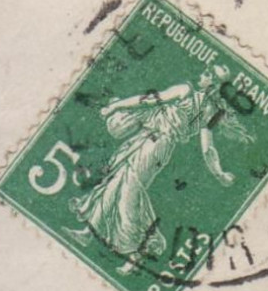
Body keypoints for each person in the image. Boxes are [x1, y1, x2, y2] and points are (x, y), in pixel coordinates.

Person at [67, 64, 251, 273]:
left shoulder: (187, 91)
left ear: (215, 85)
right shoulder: (211, 110)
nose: (202, 73)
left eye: (208, 73)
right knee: (117, 181)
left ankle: (139, 250)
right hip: (150, 141)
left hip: (156, 144)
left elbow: (148, 100)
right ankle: (88, 233)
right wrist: (219, 173)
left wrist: (115, 107)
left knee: (128, 193)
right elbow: (207, 149)